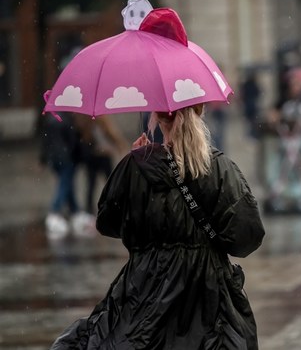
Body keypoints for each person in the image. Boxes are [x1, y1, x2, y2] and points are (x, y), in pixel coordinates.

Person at [50, 104, 265, 349]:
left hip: (144, 287)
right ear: (200, 111)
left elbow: (108, 222)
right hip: (207, 292)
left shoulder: (136, 166)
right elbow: (247, 237)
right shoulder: (220, 168)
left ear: (156, 118)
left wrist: (135, 169)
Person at [39, 112, 86, 238]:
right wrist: (79, 155)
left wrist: (43, 159)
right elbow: (72, 141)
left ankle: (75, 211)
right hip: (66, 158)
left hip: (54, 158)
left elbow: (45, 141)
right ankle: (55, 211)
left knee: (67, 184)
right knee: (64, 184)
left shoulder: (50, 120)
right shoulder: (67, 120)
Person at [74, 114, 128, 215]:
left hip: (104, 158)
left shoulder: (104, 124)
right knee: (91, 183)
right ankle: (89, 208)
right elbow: (83, 143)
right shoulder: (85, 126)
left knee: (110, 182)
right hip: (93, 158)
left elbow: (114, 136)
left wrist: (118, 147)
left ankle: (114, 204)